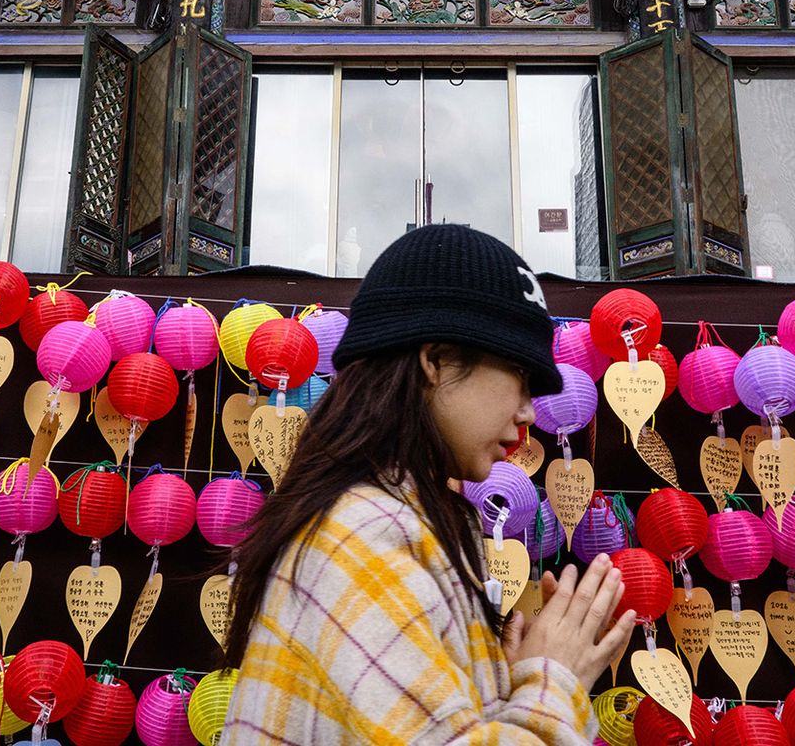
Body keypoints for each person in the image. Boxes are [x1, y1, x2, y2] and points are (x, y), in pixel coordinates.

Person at [220, 224, 636, 744]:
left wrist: (497, 688)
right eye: (519, 376)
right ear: (435, 362)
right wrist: (554, 681)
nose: (529, 411)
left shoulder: (397, 517)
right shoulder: (366, 534)